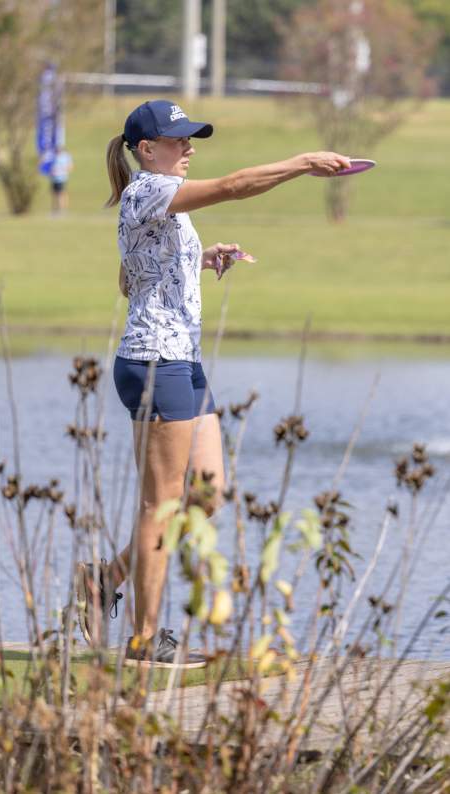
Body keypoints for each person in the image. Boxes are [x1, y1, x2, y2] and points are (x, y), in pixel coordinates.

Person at [75, 99, 350, 668]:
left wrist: (198, 259)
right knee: (162, 507)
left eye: (190, 139)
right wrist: (301, 162)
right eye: (179, 140)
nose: (189, 148)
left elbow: (131, 278)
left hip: (183, 363)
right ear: (146, 150)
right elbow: (234, 185)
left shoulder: (160, 199)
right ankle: (145, 639)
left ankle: (106, 580)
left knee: (206, 494)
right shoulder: (146, 189)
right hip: (156, 363)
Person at [50, 145, 73, 213]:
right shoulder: (54, 155)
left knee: (62, 194)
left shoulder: (66, 156)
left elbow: (70, 167)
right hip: (54, 178)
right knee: (54, 193)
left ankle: (63, 209)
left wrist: (62, 170)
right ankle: (55, 209)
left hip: (62, 178)